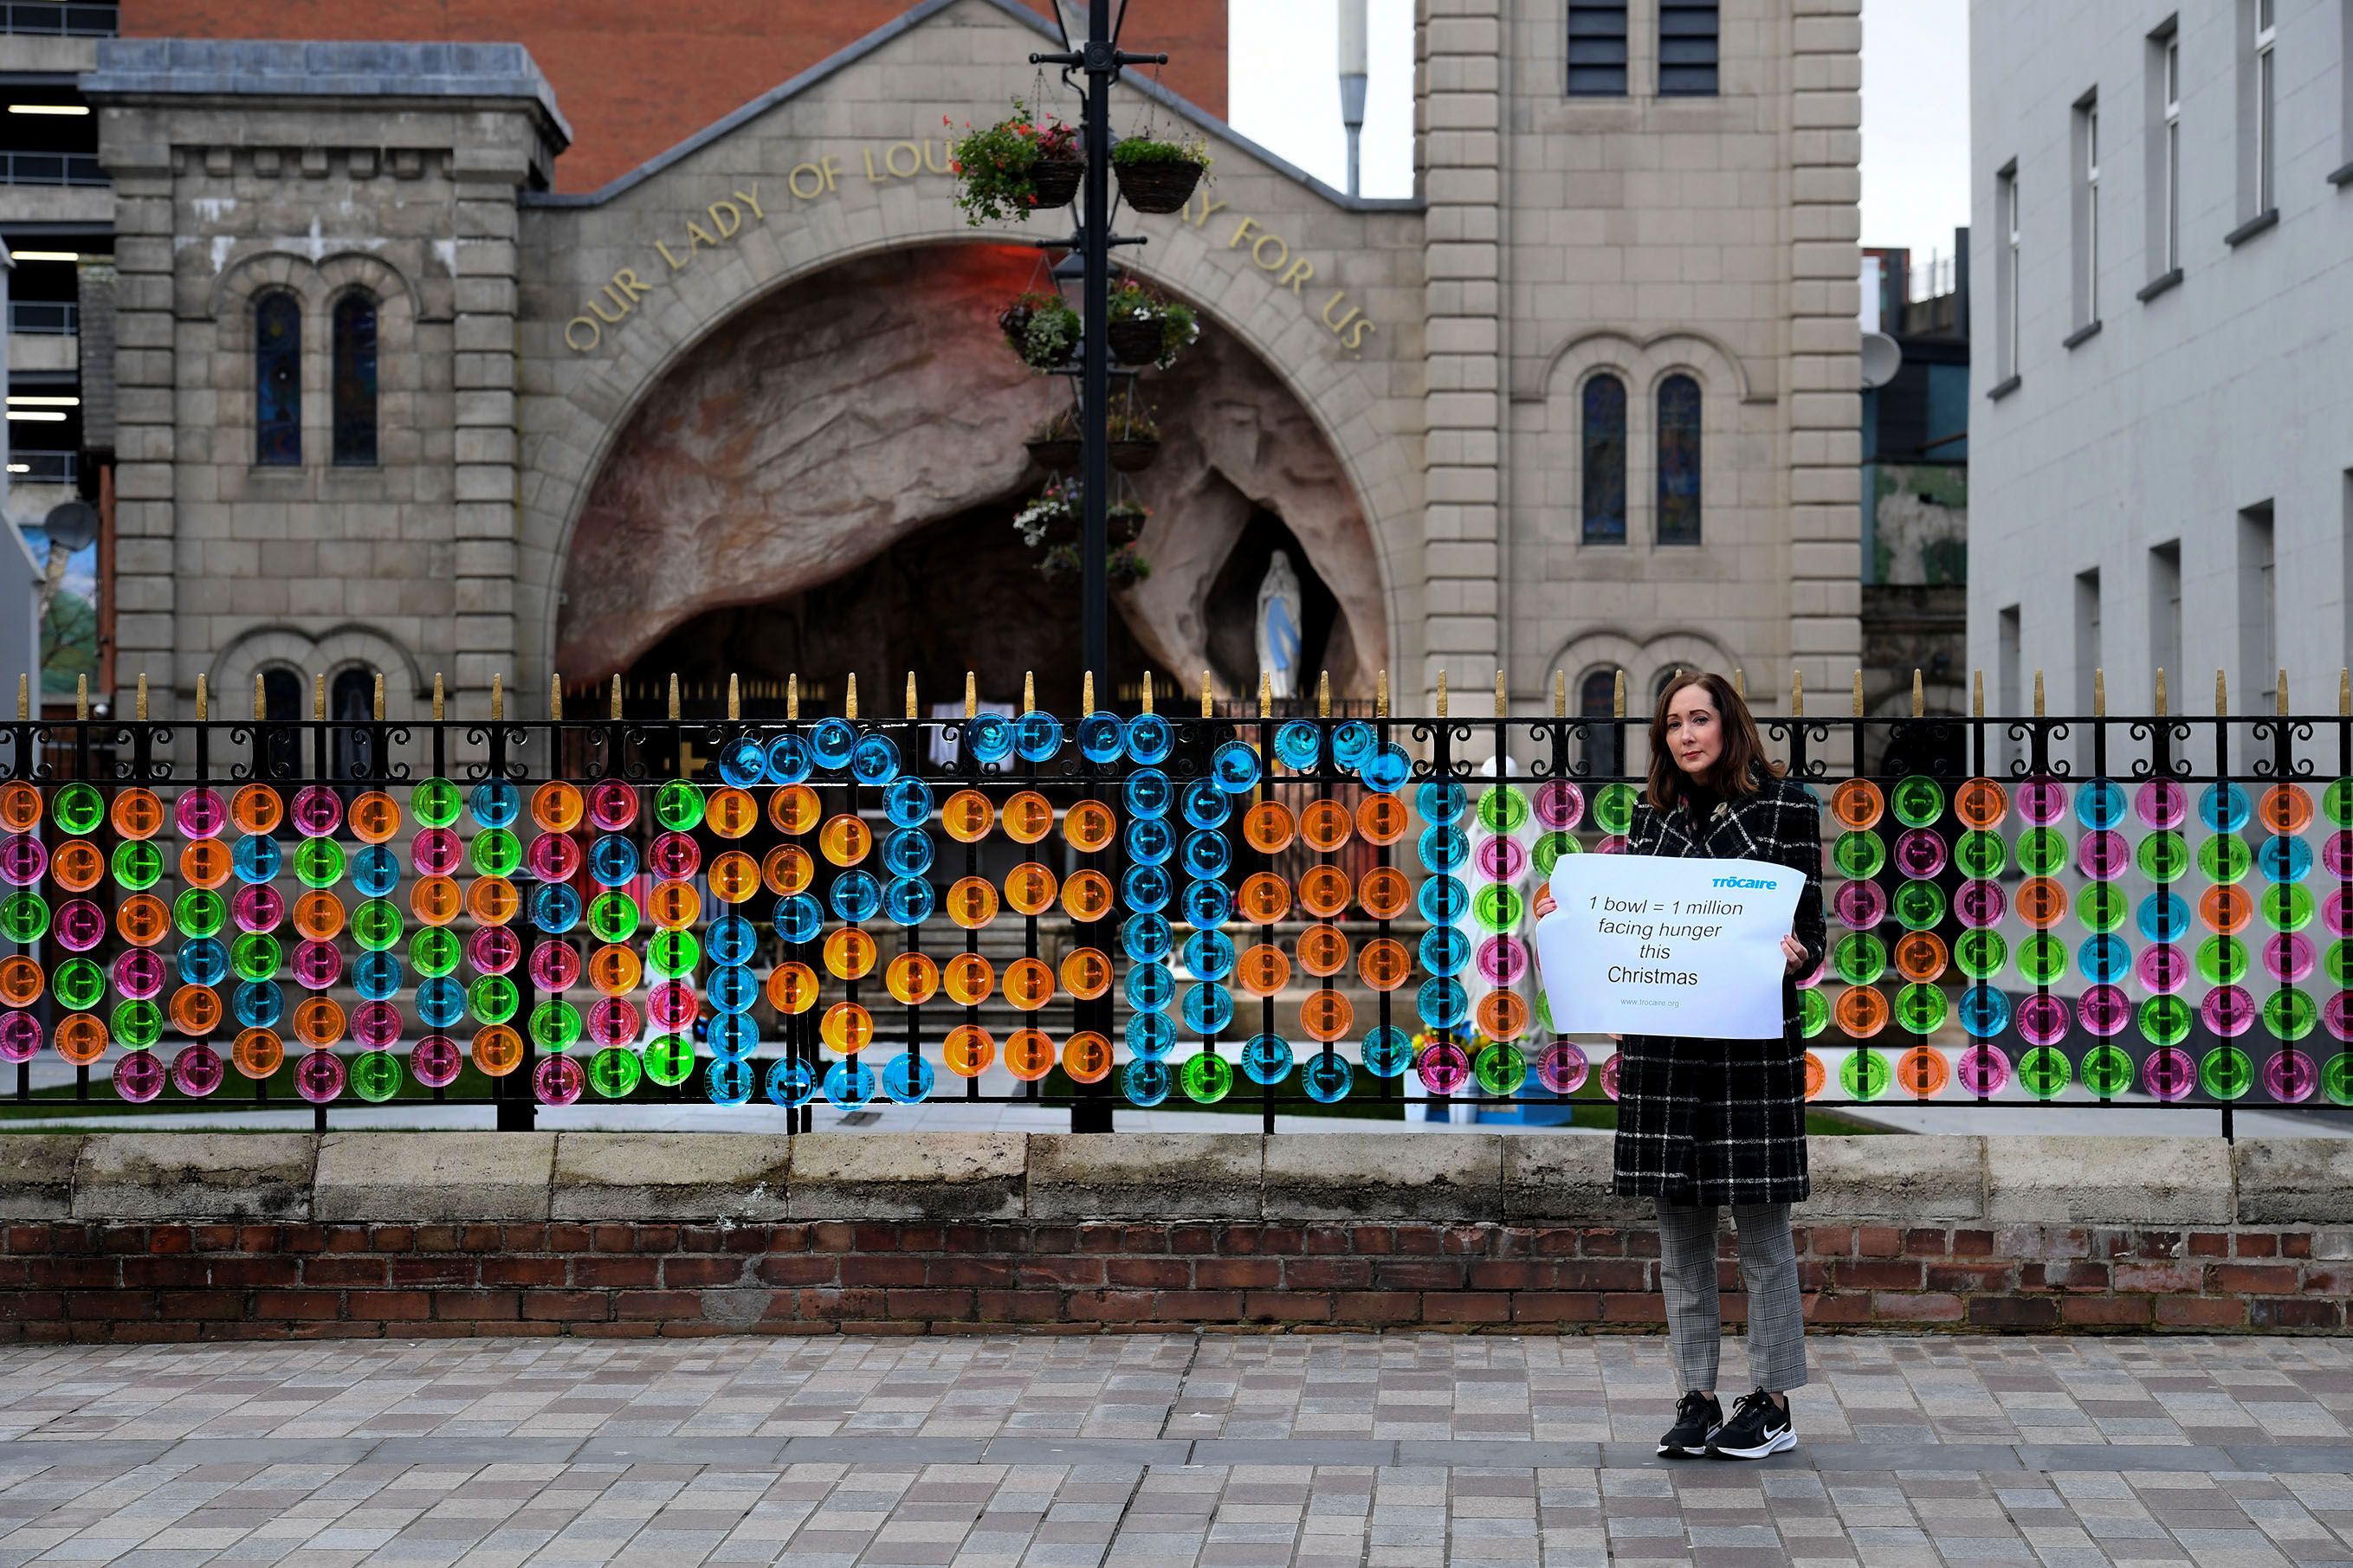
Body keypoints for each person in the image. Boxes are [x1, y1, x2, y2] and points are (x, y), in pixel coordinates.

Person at [1615, 671, 1824, 1461]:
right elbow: (1632, 926)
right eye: (1672, 722)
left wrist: (1797, 954)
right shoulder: (1650, 816)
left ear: (1728, 724)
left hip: (1750, 1050)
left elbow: (1812, 936)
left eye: (1699, 718)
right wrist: (1573, 917)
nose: (1685, 734)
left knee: (1763, 1235)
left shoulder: (1787, 808)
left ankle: (1770, 1401)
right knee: (1680, 1240)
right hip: (1666, 1053)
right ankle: (1695, 1395)